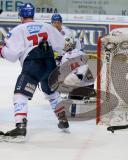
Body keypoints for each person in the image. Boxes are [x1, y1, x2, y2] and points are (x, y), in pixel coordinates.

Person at [0, 3, 69, 142]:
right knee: (52, 93)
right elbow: (61, 45)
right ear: (33, 14)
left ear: (20, 15)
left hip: (33, 65)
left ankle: (20, 127)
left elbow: (11, 55)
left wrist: (1, 50)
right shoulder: (47, 26)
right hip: (50, 63)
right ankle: (63, 120)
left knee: (20, 94)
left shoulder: (17, 29)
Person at [60, 35, 94, 118]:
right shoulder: (81, 53)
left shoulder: (65, 56)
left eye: (64, 45)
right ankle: (87, 96)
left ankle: (76, 106)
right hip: (89, 85)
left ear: (68, 45)